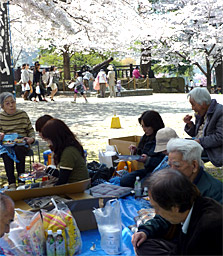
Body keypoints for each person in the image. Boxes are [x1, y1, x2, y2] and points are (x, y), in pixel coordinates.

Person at [132, 138, 223, 256]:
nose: (171, 171)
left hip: (196, 242)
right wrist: (146, 231)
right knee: (143, 244)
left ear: (194, 165)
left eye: (176, 166)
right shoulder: (178, 189)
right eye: (169, 165)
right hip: (182, 238)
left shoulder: (213, 194)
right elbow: (166, 215)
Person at [31, 119, 89, 187]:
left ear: (56, 138)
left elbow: (62, 180)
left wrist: (48, 189)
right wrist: (45, 169)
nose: (49, 143)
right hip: (74, 184)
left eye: (49, 140)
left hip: (76, 186)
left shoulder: (68, 152)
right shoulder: (69, 148)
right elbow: (62, 173)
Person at [120, 110, 165, 187]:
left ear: (154, 125)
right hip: (148, 170)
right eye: (142, 126)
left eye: (146, 126)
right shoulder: (146, 137)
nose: (144, 129)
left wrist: (147, 160)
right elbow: (142, 152)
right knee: (125, 181)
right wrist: (135, 151)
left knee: (142, 186)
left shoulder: (163, 137)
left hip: (160, 172)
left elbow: (164, 162)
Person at [0, 92, 35, 190]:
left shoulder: (22, 114)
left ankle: (21, 181)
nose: (11, 105)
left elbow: (30, 131)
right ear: (2, 107)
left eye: (13, 102)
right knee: (6, 154)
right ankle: (11, 182)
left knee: (19, 149)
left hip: (21, 142)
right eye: (7, 103)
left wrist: (31, 139)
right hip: (6, 144)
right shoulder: (1, 117)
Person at [183, 87, 223, 167]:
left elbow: (220, 137)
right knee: (174, 147)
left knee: (181, 156)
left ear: (203, 103)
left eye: (193, 105)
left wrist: (200, 142)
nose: (192, 108)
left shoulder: (220, 112)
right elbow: (197, 134)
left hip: (212, 150)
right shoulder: (201, 113)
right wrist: (190, 125)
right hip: (200, 144)